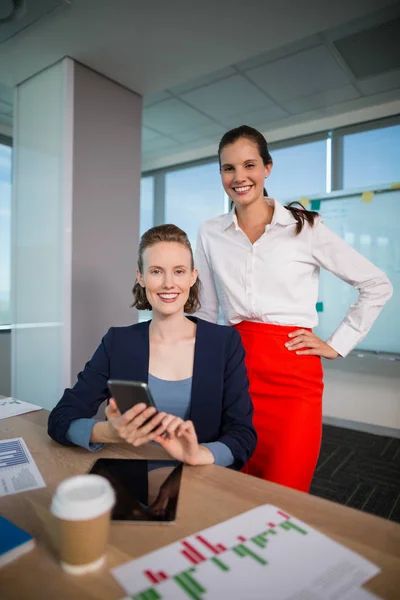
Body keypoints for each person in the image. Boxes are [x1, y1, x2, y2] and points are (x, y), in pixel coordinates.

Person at [194, 125, 393, 492]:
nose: (239, 177)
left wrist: (337, 344)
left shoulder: (306, 227)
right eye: (228, 168)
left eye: (249, 165)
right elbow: (206, 312)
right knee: (232, 485)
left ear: (267, 168)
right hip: (235, 371)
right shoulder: (210, 232)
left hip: (293, 378)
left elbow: (377, 284)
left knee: (286, 490)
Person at [48, 224, 256, 470]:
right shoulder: (117, 342)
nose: (169, 283)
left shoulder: (224, 343)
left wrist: (198, 453)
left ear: (193, 276)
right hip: (127, 479)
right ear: (141, 277)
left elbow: (242, 434)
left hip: (200, 480)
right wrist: (108, 432)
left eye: (179, 271)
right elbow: (60, 419)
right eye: (156, 271)